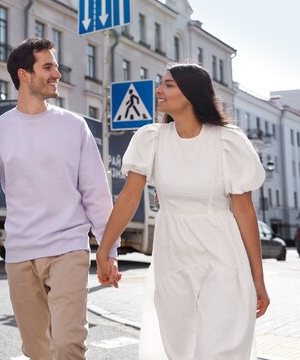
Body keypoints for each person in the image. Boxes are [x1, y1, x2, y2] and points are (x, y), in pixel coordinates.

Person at [95, 63, 270, 360]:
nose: (159, 91)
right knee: (180, 351)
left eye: (168, 85)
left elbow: (244, 212)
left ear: (191, 93)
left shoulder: (228, 141)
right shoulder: (151, 138)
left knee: (220, 351)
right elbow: (127, 199)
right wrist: (103, 250)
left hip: (224, 260)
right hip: (173, 261)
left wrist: (258, 279)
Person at [0, 38, 120, 360]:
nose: (57, 74)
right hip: (20, 253)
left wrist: (108, 250)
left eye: (56, 66)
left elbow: (96, 194)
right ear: (24, 74)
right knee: (37, 350)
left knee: (67, 344)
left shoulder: (74, 127)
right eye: (48, 66)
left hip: (68, 249)